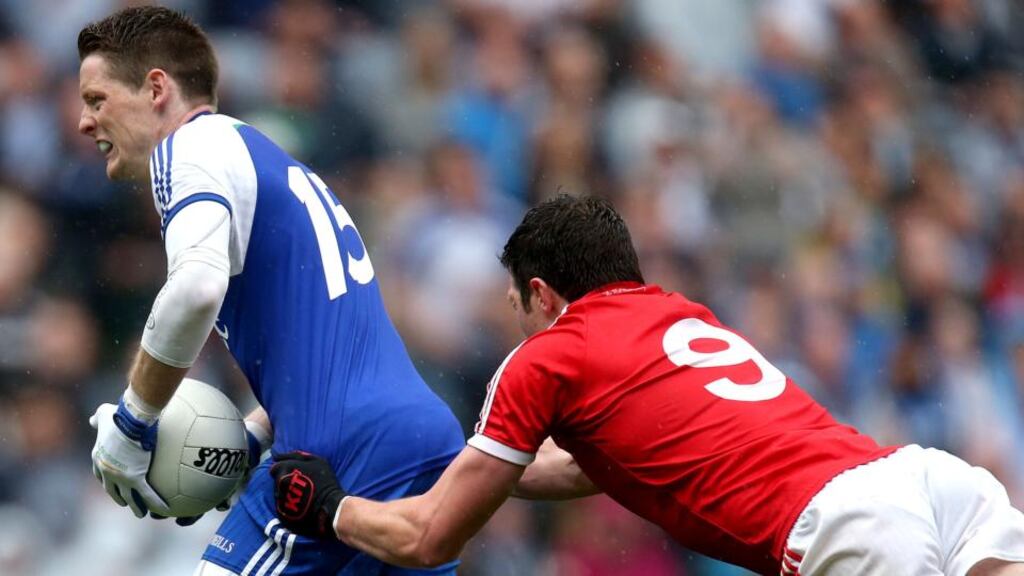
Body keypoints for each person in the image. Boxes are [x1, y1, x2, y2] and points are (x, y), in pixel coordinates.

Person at [271, 194, 1024, 575]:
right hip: (923, 477)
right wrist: (482, 474)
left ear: (541, 293)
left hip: (844, 528)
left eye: (515, 299)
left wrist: (334, 509)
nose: (512, 314)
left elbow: (432, 536)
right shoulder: (675, 312)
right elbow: (602, 463)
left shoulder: (549, 356)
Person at [79, 7, 465, 575]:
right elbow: (330, 345)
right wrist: (254, 435)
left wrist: (133, 424)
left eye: (97, 100)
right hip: (418, 436)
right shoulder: (269, 160)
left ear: (156, 88)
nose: (85, 123)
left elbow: (195, 288)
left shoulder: (187, 150)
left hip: (331, 458)